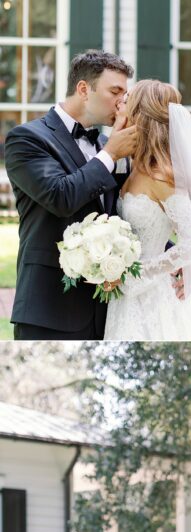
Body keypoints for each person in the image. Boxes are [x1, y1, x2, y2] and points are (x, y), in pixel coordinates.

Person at [5, 49, 138, 340]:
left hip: (108, 309)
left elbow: (126, 213)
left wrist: (169, 253)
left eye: (124, 93)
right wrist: (110, 154)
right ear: (83, 89)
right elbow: (60, 196)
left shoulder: (106, 143)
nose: (122, 101)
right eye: (115, 91)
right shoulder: (26, 138)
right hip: (49, 308)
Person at [104, 79, 191, 341]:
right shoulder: (131, 166)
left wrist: (137, 274)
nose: (119, 105)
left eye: (127, 102)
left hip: (150, 296)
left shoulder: (163, 178)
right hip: (121, 299)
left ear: (140, 115)